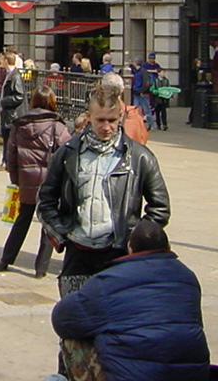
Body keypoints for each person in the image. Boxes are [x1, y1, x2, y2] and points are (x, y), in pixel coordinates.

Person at [37, 79, 170, 297]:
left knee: (116, 319)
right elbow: (46, 199)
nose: (106, 127)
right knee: (76, 322)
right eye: (100, 120)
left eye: (112, 120)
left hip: (119, 253)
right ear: (89, 118)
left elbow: (160, 208)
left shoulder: (139, 157)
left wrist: (135, 240)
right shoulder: (68, 153)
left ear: (121, 118)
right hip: (78, 252)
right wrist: (62, 234)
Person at [50, 219, 210, 381]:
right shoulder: (187, 277)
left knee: (74, 338)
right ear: (168, 248)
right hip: (193, 375)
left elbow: (62, 319)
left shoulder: (108, 280)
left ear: (130, 248)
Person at [0, 86, 71, 277]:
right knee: (47, 223)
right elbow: (69, 155)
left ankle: (5, 259)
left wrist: (16, 179)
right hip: (50, 181)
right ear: (52, 102)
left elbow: (10, 156)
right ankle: (41, 268)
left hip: (26, 179)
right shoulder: (57, 126)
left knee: (22, 220)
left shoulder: (19, 125)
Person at [0, 51, 26, 169]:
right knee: (6, 138)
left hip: (12, 115)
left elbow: (19, 96)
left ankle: (8, 162)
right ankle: (6, 161)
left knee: (10, 139)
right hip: (7, 113)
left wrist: (3, 101)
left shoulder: (15, 76)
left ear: (6, 61)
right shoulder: (9, 75)